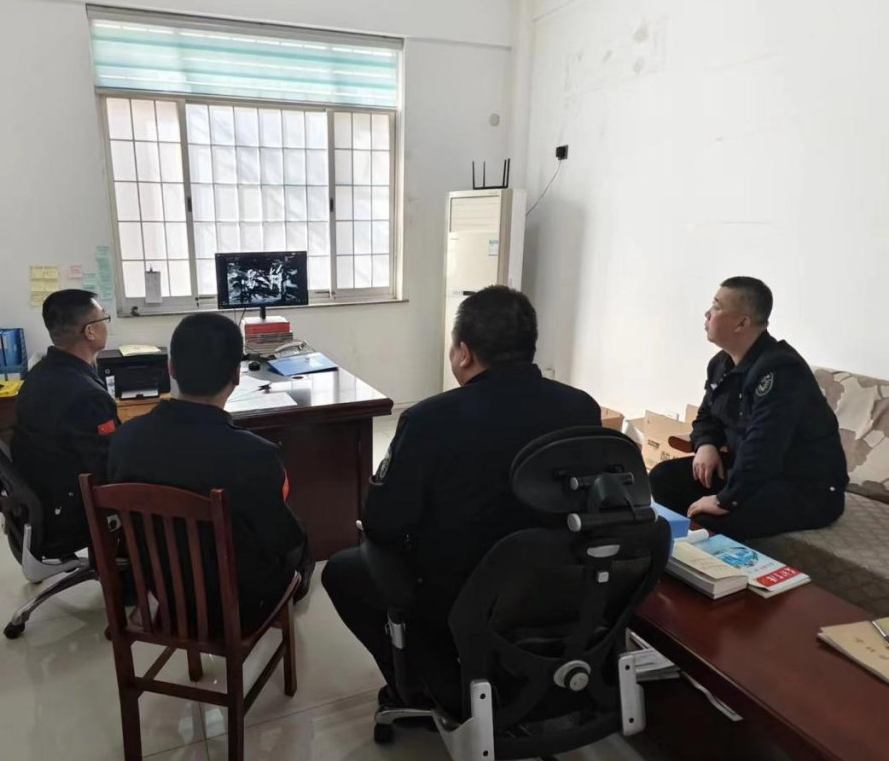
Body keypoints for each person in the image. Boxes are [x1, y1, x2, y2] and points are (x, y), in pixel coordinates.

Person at [322, 285, 601, 698]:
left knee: (342, 571)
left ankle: (424, 687)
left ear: (464, 354)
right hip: (557, 584)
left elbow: (384, 522)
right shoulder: (582, 408)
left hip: (458, 593)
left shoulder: (429, 419)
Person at [107, 312, 312, 633]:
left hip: (164, 593)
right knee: (300, 538)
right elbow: (281, 540)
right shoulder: (255, 454)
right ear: (236, 375)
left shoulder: (123, 440)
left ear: (171, 369)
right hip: (238, 607)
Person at [649, 277, 847, 539]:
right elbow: (708, 415)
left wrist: (725, 499)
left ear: (741, 323)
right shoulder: (721, 363)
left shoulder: (781, 371)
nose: (707, 314)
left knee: (709, 519)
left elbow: (764, 446)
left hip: (805, 487)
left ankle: (704, 560)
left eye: (716, 307)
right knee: (663, 477)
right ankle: (677, 553)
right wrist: (706, 445)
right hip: (756, 471)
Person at [12, 290, 118, 557]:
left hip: (44, 498)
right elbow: (109, 468)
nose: (107, 323)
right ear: (90, 331)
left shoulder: (39, 373)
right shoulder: (86, 395)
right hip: (70, 512)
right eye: (104, 318)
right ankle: (127, 574)